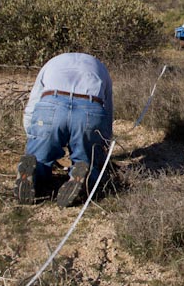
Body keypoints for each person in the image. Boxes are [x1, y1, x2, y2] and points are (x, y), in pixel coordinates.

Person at [14, 52, 113, 208]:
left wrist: (32, 136)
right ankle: (83, 176)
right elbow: (107, 110)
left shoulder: (51, 62)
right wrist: (104, 141)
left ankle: (35, 177)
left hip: (52, 104)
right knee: (87, 159)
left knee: (39, 157)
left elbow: (34, 102)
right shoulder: (100, 67)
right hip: (89, 108)